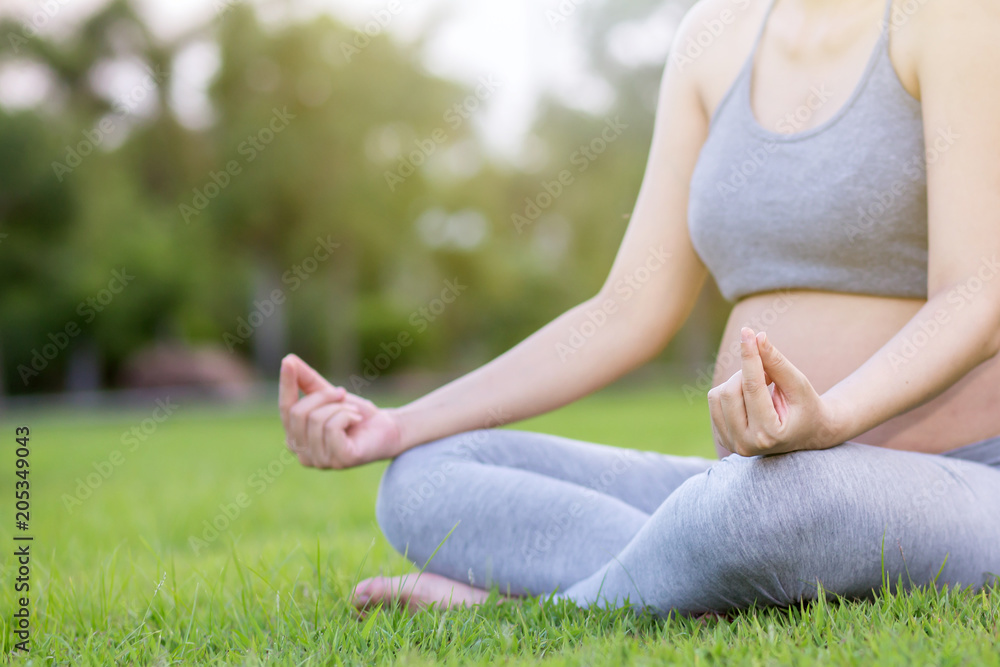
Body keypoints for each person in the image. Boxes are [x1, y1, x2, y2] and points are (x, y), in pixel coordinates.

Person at [279, 0, 1000, 615]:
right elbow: (626, 310)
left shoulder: (951, 17)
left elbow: (977, 294)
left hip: (960, 475)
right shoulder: (712, 36)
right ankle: (683, 572)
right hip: (757, 475)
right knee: (422, 477)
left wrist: (831, 420)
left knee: (778, 503)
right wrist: (400, 423)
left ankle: (557, 605)